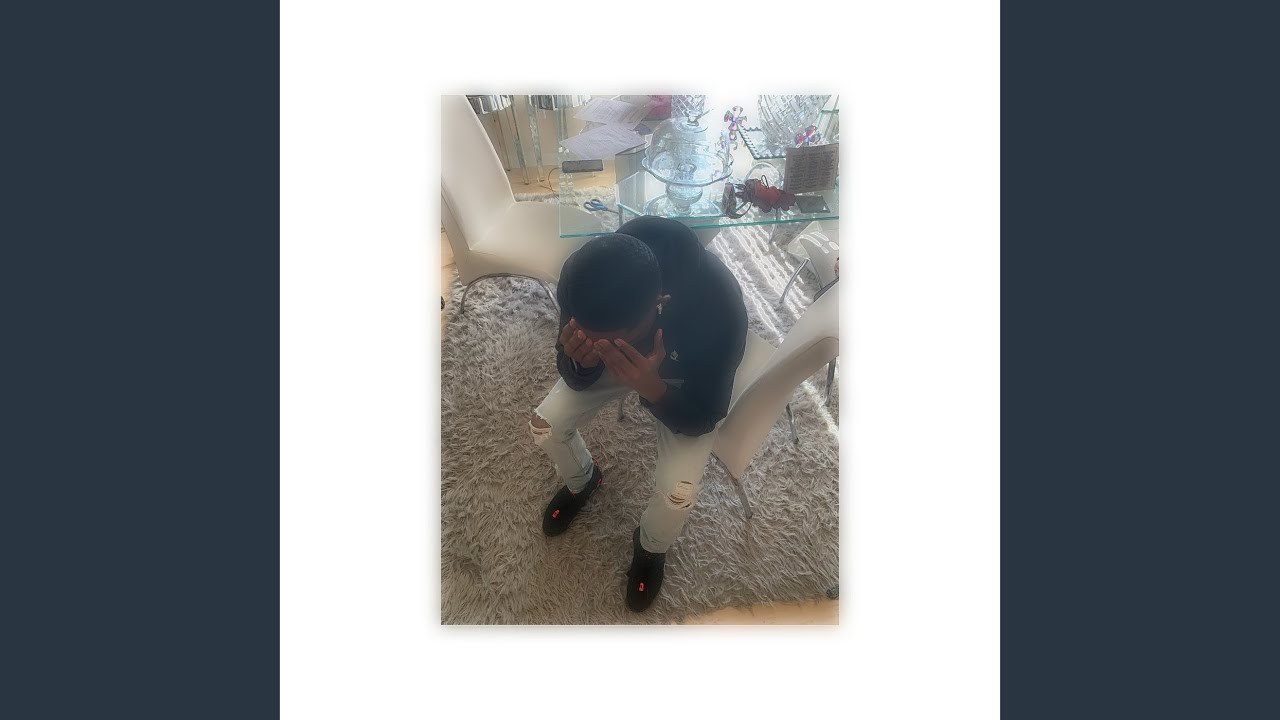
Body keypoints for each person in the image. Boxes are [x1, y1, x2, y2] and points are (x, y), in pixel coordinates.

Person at [529, 216, 747, 612]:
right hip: (645, 364)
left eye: (610, 341)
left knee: (678, 493)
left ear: (659, 303)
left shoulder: (721, 311)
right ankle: (584, 480)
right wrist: (581, 362)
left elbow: (706, 416)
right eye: (587, 335)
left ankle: (651, 546)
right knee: (545, 425)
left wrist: (653, 389)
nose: (598, 345)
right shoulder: (585, 278)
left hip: (680, 382)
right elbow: (573, 368)